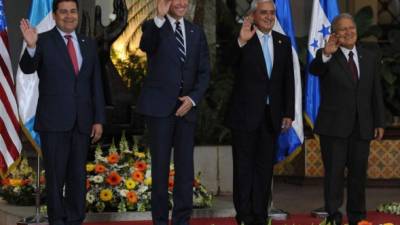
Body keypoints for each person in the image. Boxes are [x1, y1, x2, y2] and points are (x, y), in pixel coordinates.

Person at [19, 0, 105, 224]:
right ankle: (57, 220)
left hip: (82, 123)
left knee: (77, 176)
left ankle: (76, 219)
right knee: (55, 179)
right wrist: (30, 47)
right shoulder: (43, 40)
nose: (69, 16)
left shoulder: (88, 43)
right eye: (64, 12)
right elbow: (28, 67)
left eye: (73, 11)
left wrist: (98, 119)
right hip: (53, 123)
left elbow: (96, 84)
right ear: (55, 16)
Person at [137, 0, 210, 224]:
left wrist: (193, 98)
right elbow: (146, 46)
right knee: (159, 171)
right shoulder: (153, 26)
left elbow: (204, 71)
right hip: (159, 111)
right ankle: (159, 220)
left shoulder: (196, 32)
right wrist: (158, 18)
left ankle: (181, 220)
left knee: (185, 171)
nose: (180, 3)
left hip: (186, 110)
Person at [309, 13, 385, 225]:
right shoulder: (326, 55)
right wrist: (325, 53)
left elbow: (375, 92)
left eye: (351, 27)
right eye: (343, 29)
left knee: (358, 176)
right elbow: (314, 70)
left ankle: (357, 217)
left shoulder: (368, 56)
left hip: (362, 127)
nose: (349, 32)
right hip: (334, 128)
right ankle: (333, 216)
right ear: (335, 34)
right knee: (333, 176)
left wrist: (379, 122)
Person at [225, 0, 295, 224]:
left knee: (264, 170)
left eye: (272, 13)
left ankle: (260, 215)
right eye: (263, 13)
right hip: (244, 116)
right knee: (244, 169)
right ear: (253, 15)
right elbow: (227, 65)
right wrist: (240, 42)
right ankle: (244, 216)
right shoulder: (244, 37)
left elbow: (288, 80)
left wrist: (288, 112)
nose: (268, 16)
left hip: (271, 117)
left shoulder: (283, 41)